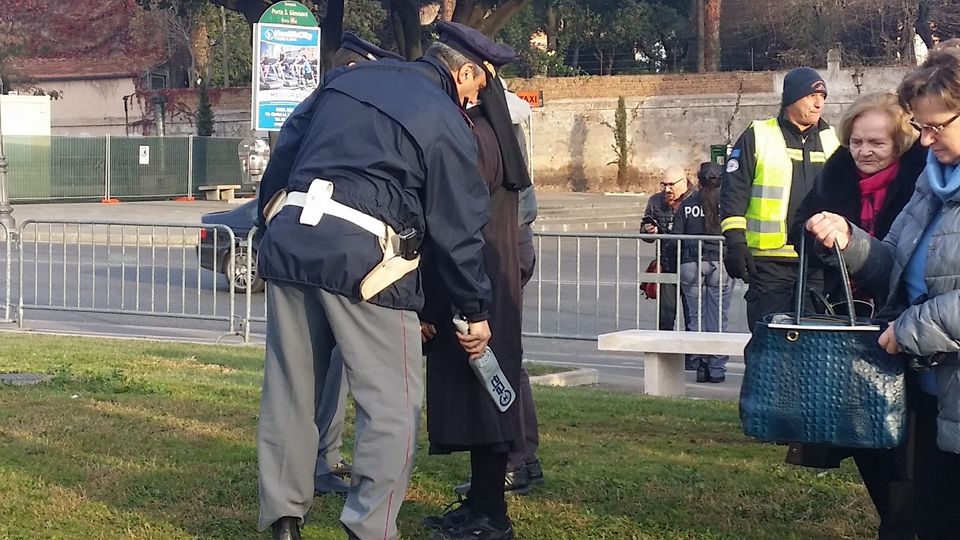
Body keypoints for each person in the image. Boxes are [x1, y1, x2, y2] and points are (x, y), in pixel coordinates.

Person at [253, 25, 499, 540]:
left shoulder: (343, 83)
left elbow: (282, 160)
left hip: (293, 239)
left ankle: (284, 520)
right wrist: (473, 310)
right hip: (369, 261)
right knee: (391, 407)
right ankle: (369, 528)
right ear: (463, 72)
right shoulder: (446, 120)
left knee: (290, 391)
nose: (479, 99)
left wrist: (269, 228)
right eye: (482, 86)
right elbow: (458, 230)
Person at [805, 45, 960, 539]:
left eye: (938, 126)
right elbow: (894, 262)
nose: (927, 138)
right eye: (921, 126)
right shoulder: (932, 183)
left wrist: (911, 327)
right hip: (931, 387)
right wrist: (851, 242)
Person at [790, 91, 925, 540]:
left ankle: (900, 525)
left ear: (900, 144)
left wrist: (858, 243)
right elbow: (800, 227)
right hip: (845, 324)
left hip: (900, 329)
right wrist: (823, 240)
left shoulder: (919, 182)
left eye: (876, 144)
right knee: (861, 431)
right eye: (856, 142)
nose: (864, 152)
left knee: (903, 447)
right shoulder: (836, 175)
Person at [418, 22, 526, 540]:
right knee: (481, 394)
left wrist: (445, 303)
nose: (472, 93)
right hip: (485, 279)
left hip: (478, 284)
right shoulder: (485, 132)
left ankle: (492, 516)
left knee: (488, 397)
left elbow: (453, 222)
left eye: (476, 86)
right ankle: (481, 503)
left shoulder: (474, 136)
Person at [310, 32, 407, 500]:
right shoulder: (336, 110)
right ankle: (319, 463)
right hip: (340, 253)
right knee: (329, 375)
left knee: (325, 374)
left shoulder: (323, 108)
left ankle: (319, 463)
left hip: (314, 250)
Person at [452, 84, 544, 499]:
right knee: (507, 356)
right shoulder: (506, 124)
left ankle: (511, 459)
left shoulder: (487, 128)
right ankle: (523, 455)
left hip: (502, 243)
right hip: (513, 241)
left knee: (496, 356)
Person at [720, 67, 840, 331]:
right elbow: (733, 192)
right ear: (791, 99)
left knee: (813, 350)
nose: (819, 103)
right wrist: (735, 242)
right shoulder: (759, 135)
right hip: (769, 265)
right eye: (812, 96)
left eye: (823, 97)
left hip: (817, 263)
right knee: (770, 347)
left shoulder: (832, 140)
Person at [673, 161, 733, 383]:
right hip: (720, 263)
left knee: (695, 319)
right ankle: (716, 369)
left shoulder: (687, 204)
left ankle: (699, 365)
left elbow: (675, 236)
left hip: (690, 263)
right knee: (718, 319)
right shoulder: (728, 205)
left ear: (698, 180)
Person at [642, 165, 692, 334]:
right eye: (664, 185)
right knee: (666, 316)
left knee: (693, 317)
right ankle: (664, 358)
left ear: (684, 182)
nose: (667, 189)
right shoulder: (655, 201)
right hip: (668, 265)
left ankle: (692, 358)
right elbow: (644, 231)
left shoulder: (696, 199)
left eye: (672, 185)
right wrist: (648, 231)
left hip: (691, 265)